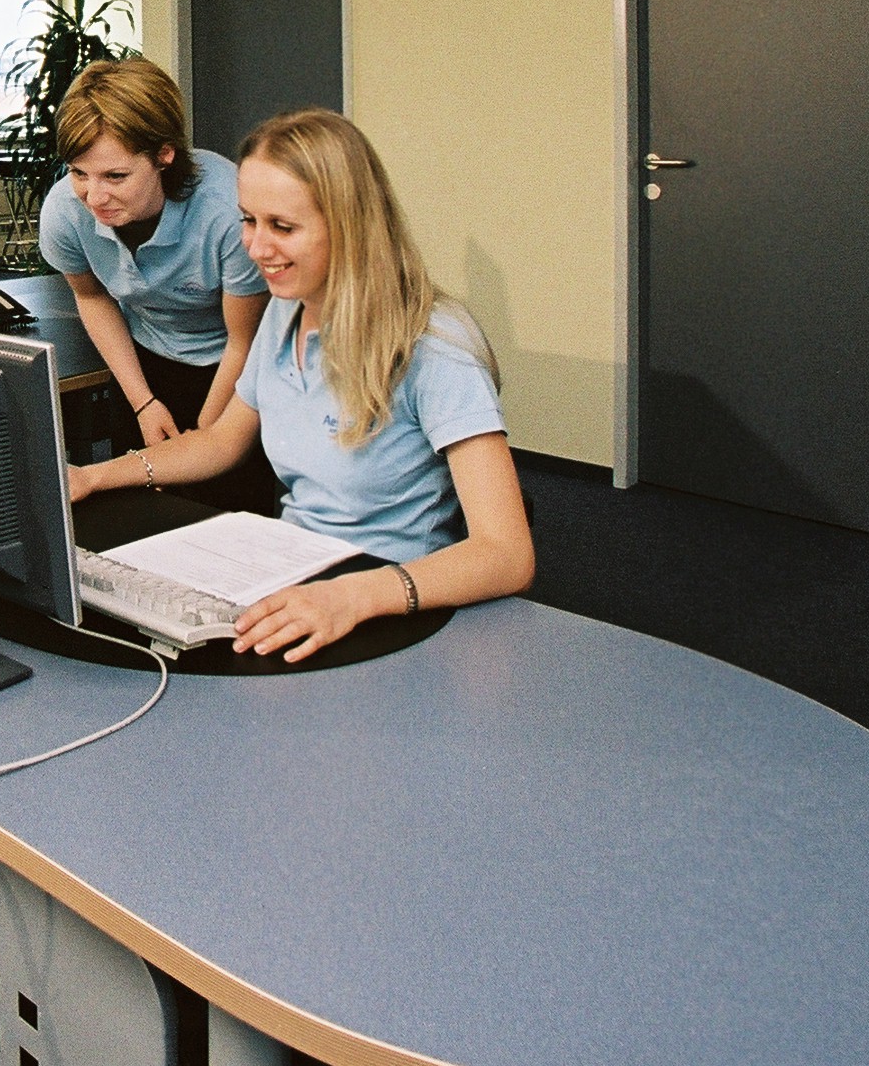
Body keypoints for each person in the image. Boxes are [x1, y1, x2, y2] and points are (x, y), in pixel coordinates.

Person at [67, 108, 536, 660]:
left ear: (350, 225)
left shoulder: (434, 348)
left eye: (282, 228)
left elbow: (507, 554)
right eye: (249, 220)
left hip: (391, 604)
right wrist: (93, 477)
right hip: (299, 577)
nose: (256, 247)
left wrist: (354, 597)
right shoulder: (285, 313)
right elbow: (220, 443)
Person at [36, 59, 273, 510]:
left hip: (230, 365)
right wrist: (143, 403)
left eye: (115, 176)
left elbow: (244, 341)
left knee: (224, 514)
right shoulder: (65, 211)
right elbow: (91, 296)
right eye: (79, 173)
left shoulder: (229, 211)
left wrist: (199, 440)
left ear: (164, 155)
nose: (94, 197)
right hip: (145, 360)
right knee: (139, 511)